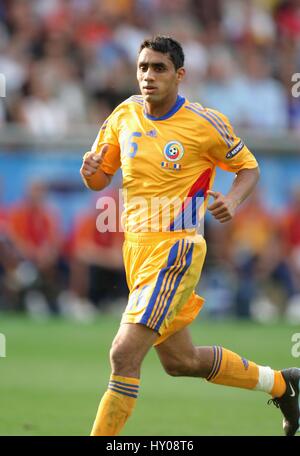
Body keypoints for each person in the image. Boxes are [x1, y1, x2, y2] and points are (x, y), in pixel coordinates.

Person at [80, 36, 300, 436]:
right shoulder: (125, 114)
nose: (148, 76)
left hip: (176, 250)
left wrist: (232, 201)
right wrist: (90, 169)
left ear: (179, 75)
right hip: (137, 252)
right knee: (181, 362)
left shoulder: (203, 123)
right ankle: (284, 384)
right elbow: (99, 179)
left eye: (159, 68)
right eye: (143, 67)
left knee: (124, 353)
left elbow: (248, 168)